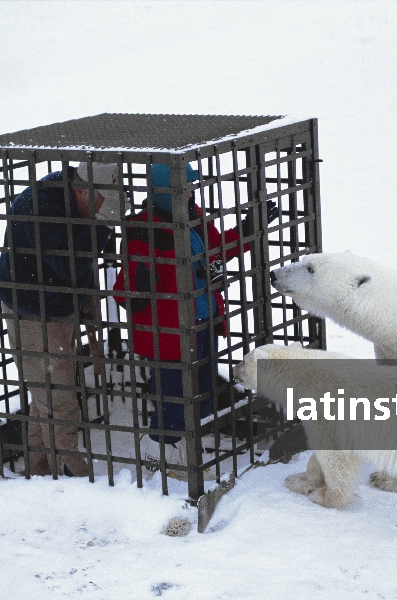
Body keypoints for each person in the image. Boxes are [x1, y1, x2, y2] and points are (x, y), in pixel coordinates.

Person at [112, 163, 278, 478]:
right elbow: (125, 291)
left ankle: (181, 456)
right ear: (164, 191)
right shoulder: (143, 229)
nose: (191, 191)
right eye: (184, 187)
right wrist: (143, 282)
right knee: (174, 399)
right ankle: (158, 460)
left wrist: (247, 229)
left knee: (199, 396)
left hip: (203, 322)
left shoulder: (193, 216)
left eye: (193, 185)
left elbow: (215, 250)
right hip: (170, 331)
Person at [0, 162, 119, 477]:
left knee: (45, 390)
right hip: (34, 310)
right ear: (81, 190)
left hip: (53, 303)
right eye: (105, 200)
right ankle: (65, 469)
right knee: (58, 394)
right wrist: (104, 224)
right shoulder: (41, 208)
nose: (107, 209)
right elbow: (72, 266)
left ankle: (37, 468)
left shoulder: (72, 194)